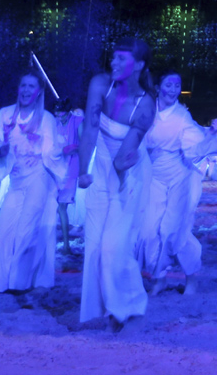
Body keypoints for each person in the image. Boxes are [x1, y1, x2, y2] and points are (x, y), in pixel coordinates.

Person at [78, 38, 156, 327]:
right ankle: (102, 310)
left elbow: (125, 156)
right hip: (99, 168)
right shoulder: (100, 84)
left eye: (122, 59)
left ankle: (127, 306)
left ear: (139, 65)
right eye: (113, 57)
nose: (113, 62)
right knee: (94, 245)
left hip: (129, 173)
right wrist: (83, 170)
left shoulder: (146, 104)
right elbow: (90, 128)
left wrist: (122, 170)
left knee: (114, 246)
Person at [0, 73, 64, 293]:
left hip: (39, 177)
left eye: (32, 86)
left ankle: (20, 282)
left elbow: (53, 151)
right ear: (18, 88)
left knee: (27, 229)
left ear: (39, 91)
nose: (27, 90)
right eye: (23, 85)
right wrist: (2, 150)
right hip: (16, 179)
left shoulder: (45, 118)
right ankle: (0, 279)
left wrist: (40, 144)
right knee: (5, 228)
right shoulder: (4, 115)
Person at [140, 73, 217, 296]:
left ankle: (191, 276)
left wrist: (210, 135)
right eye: (169, 84)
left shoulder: (182, 116)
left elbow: (195, 146)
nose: (174, 89)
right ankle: (158, 278)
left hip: (180, 175)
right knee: (149, 231)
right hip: (153, 175)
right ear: (158, 87)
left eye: (177, 85)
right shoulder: (147, 109)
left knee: (174, 231)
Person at [53, 99, 83, 254]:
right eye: (56, 112)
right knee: (56, 207)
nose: (59, 115)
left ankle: (66, 245)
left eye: (61, 112)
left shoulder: (78, 122)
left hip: (71, 169)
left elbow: (86, 143)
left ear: (69, 111)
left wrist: (75, 148)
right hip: (54, 169)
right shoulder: (55, 124)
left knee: (62, 206)